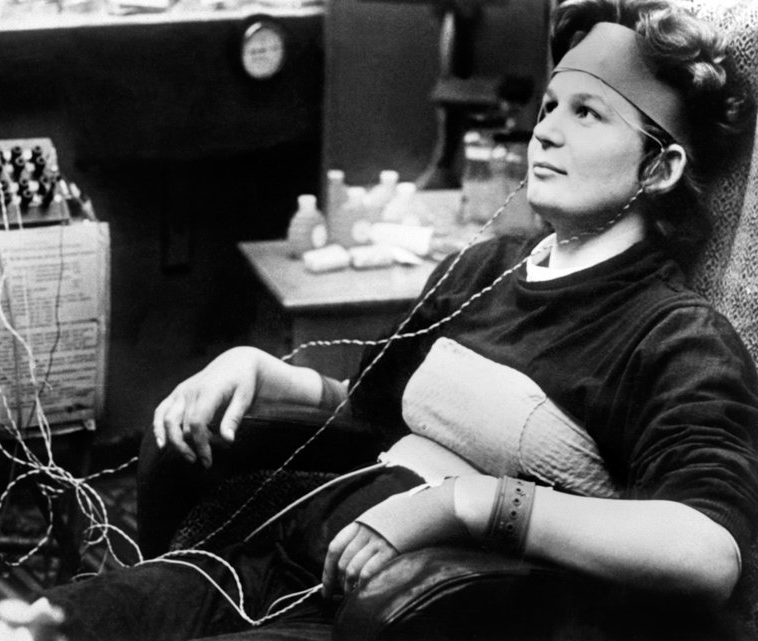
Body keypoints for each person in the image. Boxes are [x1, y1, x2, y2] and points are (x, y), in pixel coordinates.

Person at [46, 1, 758, 639]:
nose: (545, 132)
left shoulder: (676, 337)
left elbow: (707, 552)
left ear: (659, 168)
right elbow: (370, 411)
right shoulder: (484, 268)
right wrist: (261, 371)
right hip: (278, 558)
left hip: (393, 614)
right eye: (549, 107)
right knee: (41, 624)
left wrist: (470, 503)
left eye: (587, 113)